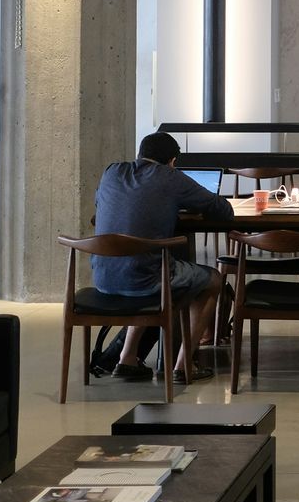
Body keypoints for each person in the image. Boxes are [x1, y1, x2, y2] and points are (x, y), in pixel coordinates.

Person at [92, 132, 231, 385]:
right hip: (147, 279)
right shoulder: (172, 178)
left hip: (104, 276)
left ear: (139, 154)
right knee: (212, 279)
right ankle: (182, 364)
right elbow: (222, 209)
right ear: (173, 161)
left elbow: (102, 204)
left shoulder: (111, 172)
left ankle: (127, 358)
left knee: (150, 268)